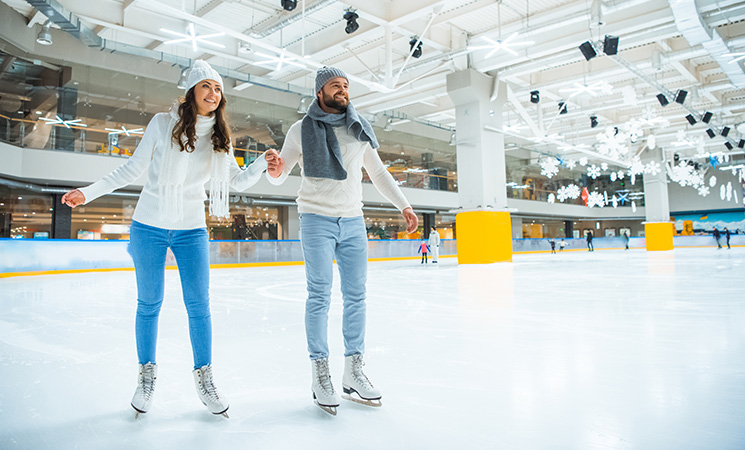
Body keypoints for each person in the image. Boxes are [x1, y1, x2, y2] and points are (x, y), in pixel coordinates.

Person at [61, 60, 278, 419]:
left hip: (191, 228)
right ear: (193, 90)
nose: (213, 93)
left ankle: (205, 378)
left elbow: (236, 181)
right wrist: (90, 192)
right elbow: (131, 168)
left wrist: (260, 165)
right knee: (149, 304)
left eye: (218, 88)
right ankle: (146, 377)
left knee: (199, 306)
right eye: (206, 86)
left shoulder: (221, 138)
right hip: (149, 225)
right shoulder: (163, 124)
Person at [266, 66, 418, 415]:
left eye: (346, 85)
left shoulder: (356, 128)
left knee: (356, 297)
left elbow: (377, 173)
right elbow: (279, 176)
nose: (343, 90)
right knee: (319, 295)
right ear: (321, 91)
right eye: (336, 85)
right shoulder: (300, 129)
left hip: (353, 221)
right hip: (316, 218)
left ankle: (353, 370)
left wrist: (405, 205)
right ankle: (321, 373)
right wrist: (273, 168)